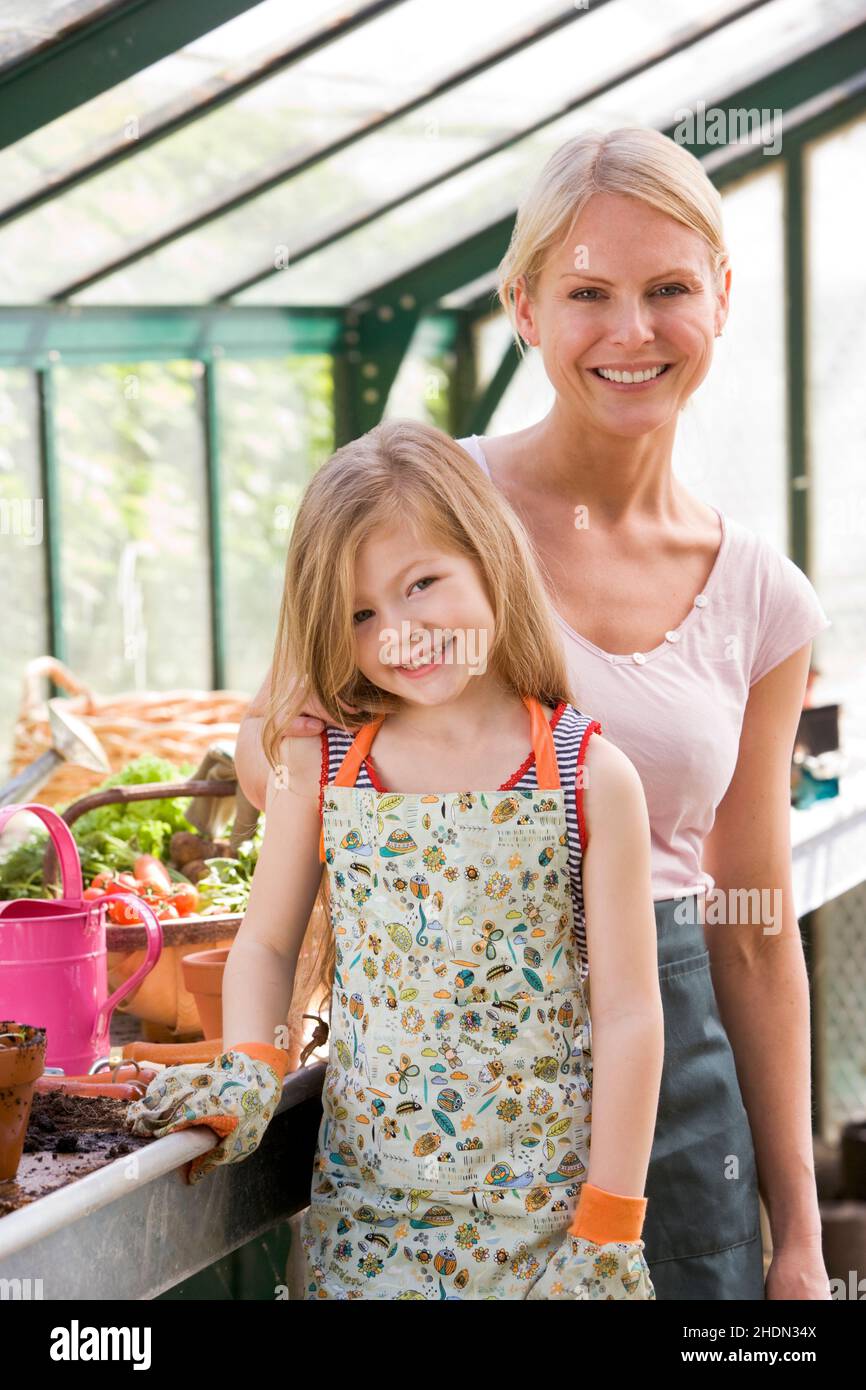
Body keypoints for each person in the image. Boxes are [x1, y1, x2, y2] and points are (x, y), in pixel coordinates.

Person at [233, 127, 832, 1300]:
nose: (630, 331)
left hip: (666, 1103)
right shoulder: (424, 504)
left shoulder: (762, 595)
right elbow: (277, 744)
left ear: (720, 294)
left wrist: (799, 1235)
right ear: (522, 306)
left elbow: (752, 928)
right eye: (586, 293)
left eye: (668, 289)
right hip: (435, 1100)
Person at [128, 417, 664, 1300]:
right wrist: (250, 1062)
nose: (402, 632)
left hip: (549, 1225)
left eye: (422, 584)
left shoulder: (590, 776)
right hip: (369, 1226)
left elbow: (631, 1016)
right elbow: (267, 943)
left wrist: (608, 1226)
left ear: (489, 557)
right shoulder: (323, 764)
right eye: (362, 615)